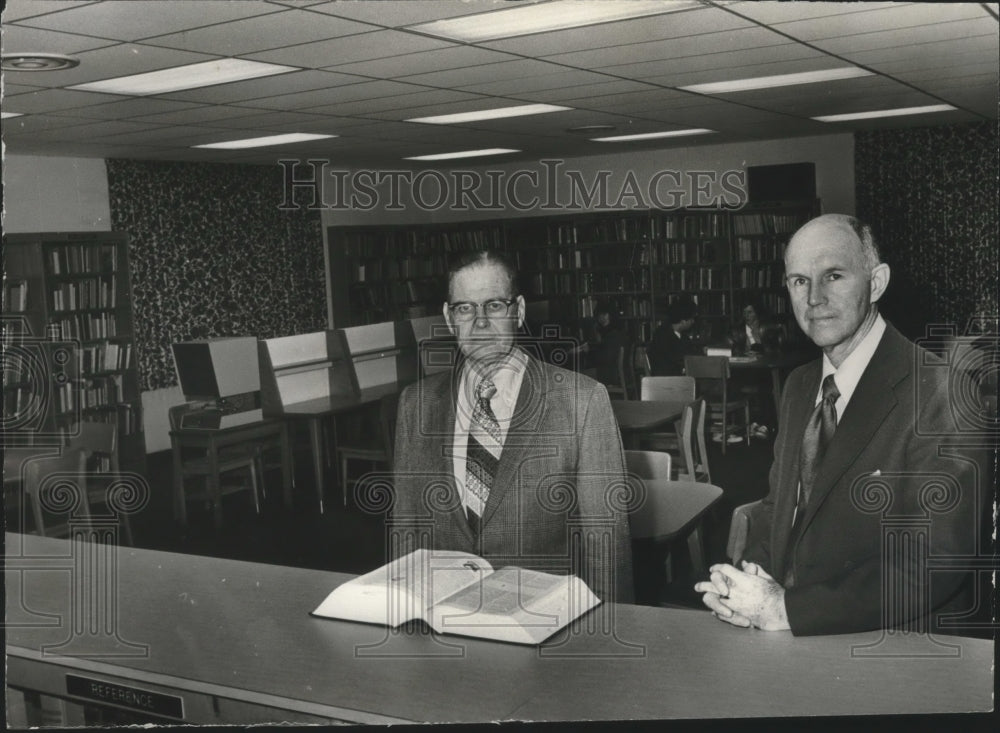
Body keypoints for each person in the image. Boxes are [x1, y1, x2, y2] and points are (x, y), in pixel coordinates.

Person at [695, 214, 976, 635]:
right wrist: (748, 581)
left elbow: (932, 560)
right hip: (791, 634)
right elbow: (780, 506)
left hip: (890, 646)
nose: (813, 299)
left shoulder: (941, 393)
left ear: (876, 283)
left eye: (834, 276)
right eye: (799, 281)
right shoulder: (799, 385)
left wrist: (786, 610)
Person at [391, 251, 634, 602]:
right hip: (442, 623)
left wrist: (603, 642)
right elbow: (407, 531)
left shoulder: (582, 402)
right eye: (464, 308)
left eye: (494, 306)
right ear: (448, 317)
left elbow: (606, 547)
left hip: (543, 627)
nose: (479, 323)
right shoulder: (416, 404)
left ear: (518, 310)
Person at [578, 303, 629, 390]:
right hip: (614, 372)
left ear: (606, 316)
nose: (598, 318)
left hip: (609, 374)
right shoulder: (616, 332)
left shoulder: (612, 334)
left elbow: (606, 357)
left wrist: (589, 352)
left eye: (600, 314)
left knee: (578, 376)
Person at [647, 299, 700, 376]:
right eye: (692, 319)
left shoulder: (680, 335)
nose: (693, 322)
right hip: (668, 380)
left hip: (677, 376)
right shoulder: (662, 335)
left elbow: (690, 351)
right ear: (683, 321)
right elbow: (682, 356)